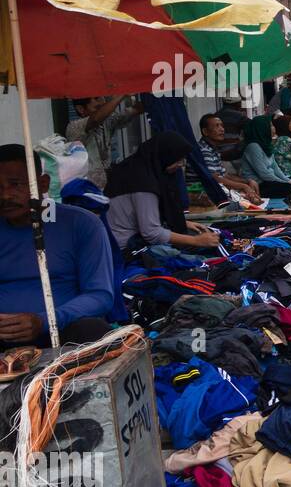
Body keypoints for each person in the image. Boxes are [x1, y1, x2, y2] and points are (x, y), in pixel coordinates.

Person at [0, 144, 115, 347]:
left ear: (43, 184)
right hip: (4, 338)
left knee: (94, 330)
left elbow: (100, 295)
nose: (5, 195)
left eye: (15, 184)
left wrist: (45, 320)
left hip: (64, 331)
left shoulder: (80, 224)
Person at [105, 132, 221, 253]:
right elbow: (151, 233)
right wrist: (196, 241)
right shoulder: (143, 185)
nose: (180, 165)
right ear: (165, 156)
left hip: (126, 238)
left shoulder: (136, 168)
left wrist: (182, 222)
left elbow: (141, 215)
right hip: (126, 248)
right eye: (178, 160)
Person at [67, 95, 145, 188]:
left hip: (107, 187)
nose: (102, 102)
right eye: (96, 99)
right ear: (80, 109)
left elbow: (133, 111)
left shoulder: (106, 123)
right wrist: (121, 94)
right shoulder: (73, 128)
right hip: (86, 191)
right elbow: (96, 119)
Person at [187, 114, 262, 203]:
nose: (222, 129)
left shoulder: (213, 149)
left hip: (213, 190)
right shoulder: (203, 150)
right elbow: (214, 178)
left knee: (248, 197)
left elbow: (224, 175)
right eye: (217, 126)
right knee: (243, 199)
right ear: (205, 131)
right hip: (198, 194)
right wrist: (243, 186)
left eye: (222, 125)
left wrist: (248, 181)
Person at [237, 116, 291, 199]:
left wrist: (288, 181)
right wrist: (285, 183)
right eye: (271, 126)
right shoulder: (253, 146)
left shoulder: (266, 145)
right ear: (262, 128)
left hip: (268, 180)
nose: (274, 128)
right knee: (289, 188)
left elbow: (275, 167)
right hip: (258, 184)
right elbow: (264, 174)